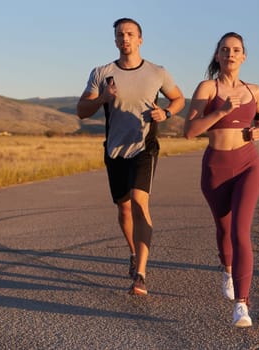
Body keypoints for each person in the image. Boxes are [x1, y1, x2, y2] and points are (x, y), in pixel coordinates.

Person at [76, 18, 185, 296]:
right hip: (114, 150)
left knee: (139, 200)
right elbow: (81, 110)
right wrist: (102, 97)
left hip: (144, 147)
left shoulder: (157, 72)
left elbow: (178, 99)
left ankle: (141, 274)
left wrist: (167, 113)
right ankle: (135, 253)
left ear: (140, 39)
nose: (125, 38)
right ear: (115, 40)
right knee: (123, 208)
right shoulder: (102, 73)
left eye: (130, 34)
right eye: (120, 35)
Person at [183, 32, 259, 328]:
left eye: (236, 50)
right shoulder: (208, 87)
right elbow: (190, 130)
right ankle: (227, 268)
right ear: (218, 56)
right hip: (216, 167)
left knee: (240, 231)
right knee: (224, 229)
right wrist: (221, 111)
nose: (230, 54)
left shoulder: (255, 90)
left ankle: (241, 305)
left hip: (248, 163)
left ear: (244, 56)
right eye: (225, 50)